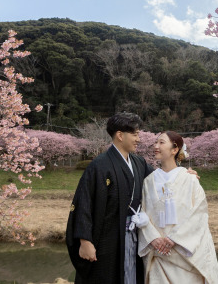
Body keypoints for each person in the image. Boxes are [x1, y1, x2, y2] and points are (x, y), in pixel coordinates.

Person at [65, 112, 153, 284]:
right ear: (120, 135)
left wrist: (182, 174)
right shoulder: (99, 165)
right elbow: (84, 204)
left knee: (132, 274)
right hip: (107, 238)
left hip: (133, 233)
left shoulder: (138, 162)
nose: (139, 139)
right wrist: (85, 241)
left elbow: (158, 178)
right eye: (135, 134)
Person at [134, 131, 218, 284]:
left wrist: (174, 239)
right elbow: (143, 212)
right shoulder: (149, 181)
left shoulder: (190, 179)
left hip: (183, 253)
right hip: (158, 253)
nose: (156, 146)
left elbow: (199, 214)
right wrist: (153, 238)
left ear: (175, 150)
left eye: (161, 143)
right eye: (156, 142)